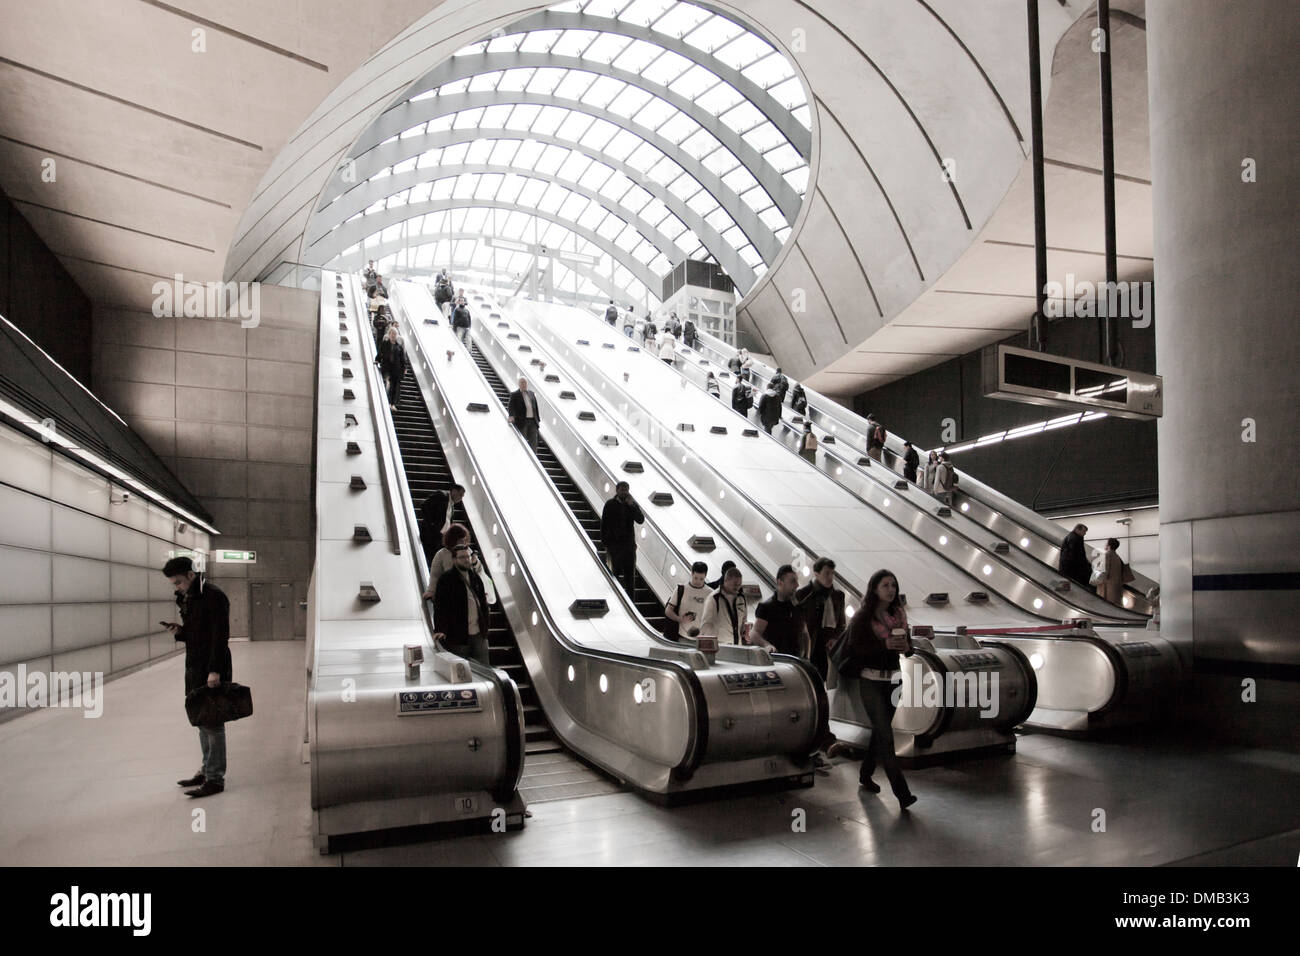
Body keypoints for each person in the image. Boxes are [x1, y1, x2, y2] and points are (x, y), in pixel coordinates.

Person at [844, 568, 916, 808]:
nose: (890, 589)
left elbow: (909, 649)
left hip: (894, 680)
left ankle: (865, 774)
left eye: (893, 585)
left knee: (880, 732)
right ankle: (902, 793)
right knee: (886, 737)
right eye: (885, 585)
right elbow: (855, 650)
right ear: (874, 588)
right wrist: (883, 644)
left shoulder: (899, 615)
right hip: (871, 681)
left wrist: (906, 645)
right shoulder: (863, 617)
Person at [161, 557, 231, 798]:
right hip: (195, 667)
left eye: (179, 582)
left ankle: (215, 779)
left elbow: (220, 636)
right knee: (202, 721)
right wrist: (180, 632)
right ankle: (206, 770)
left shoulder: (213, 596)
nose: (177, 587)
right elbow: (196, 634)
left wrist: (215, 670)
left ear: (192, 575)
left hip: (210, 668)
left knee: (213, 724)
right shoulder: (190, 597)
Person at [432, 543, 497, 665]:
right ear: (454, 559)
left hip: (479, 634)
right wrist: (440, 628)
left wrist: (486, 626)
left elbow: (483, 603)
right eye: (462, 557)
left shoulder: (475, 578)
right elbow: (440, 606)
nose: (466, 560)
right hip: (458, 635)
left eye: (467, 556)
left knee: (484, 669)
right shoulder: (446, 579)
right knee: (461, 669)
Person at [796, 557, 845, 681]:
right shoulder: (803, 594)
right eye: (826, 573)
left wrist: (835, 638)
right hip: (808, 645)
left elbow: (841, 623)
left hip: (828, 647)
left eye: (832, 573)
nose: (830, 577)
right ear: (816, 574)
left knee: (826, 680)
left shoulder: (838, 596)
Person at [750, 565, 808, 657]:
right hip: (776, 662)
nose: (797, 585)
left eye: (797, 581)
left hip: (795, 663)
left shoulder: (798, 607)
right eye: (793, 581)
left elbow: (805, 633)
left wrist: (807, 657)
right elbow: (754, 633)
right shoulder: (767, 607)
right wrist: (766, 645)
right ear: (780, 582)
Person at [600, 482, 645, 599]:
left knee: (630, 577)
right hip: (614, 547)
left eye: (626, 490)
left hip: (629, 547)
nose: (624, 492)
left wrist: (632, 506)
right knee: (614, 575)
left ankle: (631, 605)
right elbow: (604, 524)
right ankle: (614, 600)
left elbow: (640, 520)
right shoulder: (610, 504)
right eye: (622, 490)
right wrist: (605, 543)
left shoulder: (631, 504)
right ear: (617, 490)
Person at [698, 566, 749, 646]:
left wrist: (745, 632)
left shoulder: (741, 598)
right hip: (720, 647)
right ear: (726, 581)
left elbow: (744, 620)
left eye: (739, 584)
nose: (737, 587)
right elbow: (706, 626)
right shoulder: (714, 598)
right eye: (735, 584)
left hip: (738, 646)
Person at [663, 561, 711, 641]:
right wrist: (680, 619)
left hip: (702, 638)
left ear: (705, 576)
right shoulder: (681, 589)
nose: (698, 582)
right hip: (682, 636)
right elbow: (668, 610)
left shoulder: (710, 593)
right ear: (691, 573)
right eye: (695, 578)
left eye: (701, 579)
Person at [422, 523, 471, 599]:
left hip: (467, 592)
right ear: (453, 540)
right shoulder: (442, 554)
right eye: (461, 540)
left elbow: (477, 571)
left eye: (465, 540)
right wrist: (431, 591)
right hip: (448, 592)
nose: (463, 543)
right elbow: (435, 575)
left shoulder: (468, 551)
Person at [419, 484, 465, 565]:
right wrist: (431, 524)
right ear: (454, 491)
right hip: (430, 534)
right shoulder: (441, 495)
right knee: (429, 557)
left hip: (440, 537)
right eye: (460, 495)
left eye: (462, 496)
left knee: (435, 560)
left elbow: (447, 521)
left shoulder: (452, 506)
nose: (461, 498)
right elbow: (424, 506)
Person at [377, 325, 407, 410]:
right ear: (389, 334)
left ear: (397, 336)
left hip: (396, 370)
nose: (393, 335)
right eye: (392, 333)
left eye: (395, 334)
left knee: (394, 387)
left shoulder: (399, 347)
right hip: (387, 368)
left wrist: (404, 368)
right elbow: (380, 353)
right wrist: (377, 360)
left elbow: (403, 359)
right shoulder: (385, 344)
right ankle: (386, 401)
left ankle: (392, 404)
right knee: (388, 383)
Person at [507, 376, 540, 451]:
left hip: (533, 421)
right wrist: (511, 416)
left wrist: (538, 419)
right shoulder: (514, 395)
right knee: (523, 441)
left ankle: (533, 459)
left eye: (525, 382)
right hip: (522, 421)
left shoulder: (531, 394)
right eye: (522, 382)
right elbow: (510, 406)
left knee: (534, 441)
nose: (524, 384)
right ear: (518, 384)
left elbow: (535, 407)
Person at [1058, 523, 1092, 588]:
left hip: (1070, 569)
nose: (1085, 533)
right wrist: (1085, 565)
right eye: (1084, 531)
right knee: (1070, 587)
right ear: (1077, 530)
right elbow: (1075, 554)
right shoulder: (1073, 538)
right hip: (1071, 569)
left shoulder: (1076, 537)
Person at [1096, 537, 1125, 604]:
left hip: (1107, 586)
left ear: (1109, 545)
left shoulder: (1107, 555)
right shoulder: (1117, 557)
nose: (1105, 545)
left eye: (1106, 543)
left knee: (1106, 605)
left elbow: (1104, 571)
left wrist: (1097, 581)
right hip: (1116, 585)